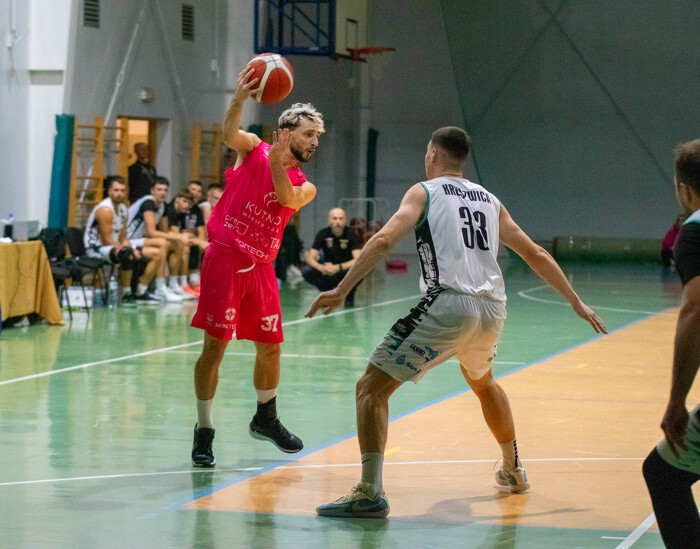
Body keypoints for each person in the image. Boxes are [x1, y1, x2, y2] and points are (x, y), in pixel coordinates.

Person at [306, 127, 607, 518]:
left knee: (370, 388)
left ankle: (370, 491)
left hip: (449, 305)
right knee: (482, 381)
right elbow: (534, 252)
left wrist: (343, 288)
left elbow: (383, 240)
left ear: (433, 154)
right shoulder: (490, 200)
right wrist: (575, 301)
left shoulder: (424, 192)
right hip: (492, 310)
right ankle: (514, 469)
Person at [189, 65, 325, 467]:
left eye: (317, 136)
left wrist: (281, 163)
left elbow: (286, 199)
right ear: (285, 132)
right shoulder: (253, 149)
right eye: (309, 133)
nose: (315, 142)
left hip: (261, 267)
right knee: (214, 348)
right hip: (225, 259)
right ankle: (204, 429)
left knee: (271, 349)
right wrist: (239, 97)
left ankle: (266, 417)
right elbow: (229, 134)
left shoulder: (305, 184)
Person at [643, 138, 700, 548]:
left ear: (684, 188)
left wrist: (676, 400)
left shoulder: (693, 231)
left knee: (663, 474)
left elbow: (695, 310)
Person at [126, 176, 189, 303]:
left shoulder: (162, 206)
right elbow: (152, 232)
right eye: (159, 189)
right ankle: (160, 287)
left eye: (165, 190)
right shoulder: (148, 203)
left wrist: (180, 237)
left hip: (142, 240)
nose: (162, 193)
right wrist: (179, 236)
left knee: (176, 244)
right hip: (128, 240)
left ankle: (174, 284)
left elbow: (164, 232)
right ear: (152, 191)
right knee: (163, 243)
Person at [83, 175, 139, 305]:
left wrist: (132, 249)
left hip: (111, 246)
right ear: (109, 192)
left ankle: (128, 292)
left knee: (136, 254)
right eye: (116, 190)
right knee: (126, 254)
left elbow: (123, 237)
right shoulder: (105, 210)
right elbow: (106, 241)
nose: (119, 194)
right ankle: (124, 294)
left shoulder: (123, 209)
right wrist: (127, 250)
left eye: (122, 191)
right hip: (95, 248)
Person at [302, 208, 362, 306]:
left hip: (344, 272)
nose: (338, 222)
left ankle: (349, 293)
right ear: (329, 220)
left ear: (345, 220)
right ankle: (327, 291)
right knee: (306, 271)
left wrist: (338, 267)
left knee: (360, 271)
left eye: (341, 219)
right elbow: (310, 258)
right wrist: (321, 268)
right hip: (327, 272)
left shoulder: (351, 235)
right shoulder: (322, 234)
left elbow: (358, 259)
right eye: (334, 218)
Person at [164, 188, 199, 300]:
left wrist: (195, 240)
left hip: (170, 240)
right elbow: (174, 233)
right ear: (177, 199)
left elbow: (185, 233)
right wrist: (199, 241)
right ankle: (174, 284)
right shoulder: (170, 210)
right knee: (180, 245)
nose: (187, 205)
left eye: (189, 203)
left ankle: (182, 284)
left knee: (186, 246)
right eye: (184, 201)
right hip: (162, 240)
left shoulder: (182, 212)